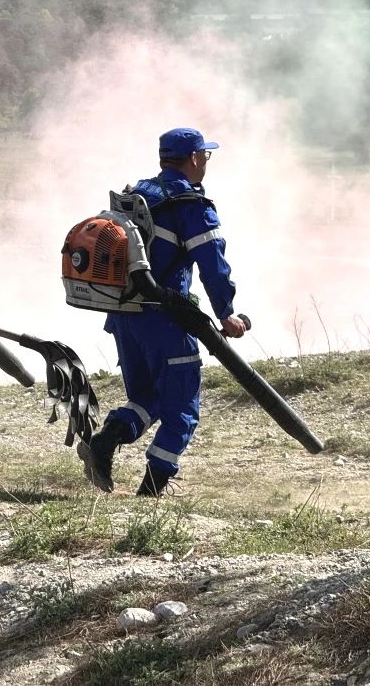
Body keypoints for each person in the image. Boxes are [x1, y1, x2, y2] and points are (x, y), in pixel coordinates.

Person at [83, 127, 247, 496]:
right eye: (204, 155)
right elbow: (213, 266)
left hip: (125, 318)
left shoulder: (136, 194)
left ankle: (105, 441)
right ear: (192, 158)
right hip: (166, 321)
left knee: (146, 400)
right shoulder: (190, 205)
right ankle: (152, 491)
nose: (205, 162)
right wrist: (227, 314)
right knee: (182, 409)